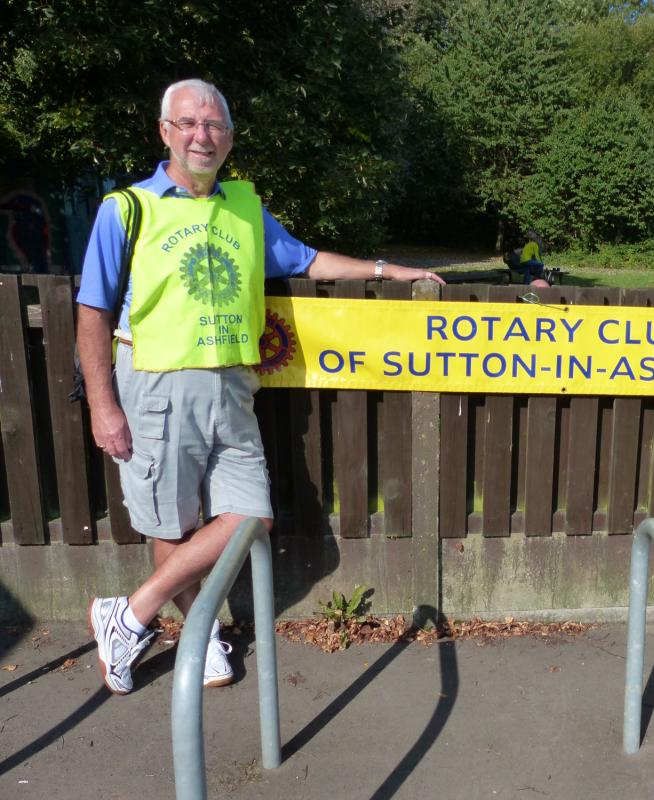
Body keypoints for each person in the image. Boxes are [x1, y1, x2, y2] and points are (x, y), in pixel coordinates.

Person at [78, 79, 444, 695]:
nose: (203, 135)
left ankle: (131, 615)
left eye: (215, 125)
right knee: (171, 526)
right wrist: (101, 404)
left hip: (232, 386)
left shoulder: (245, 209)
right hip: (157, 386)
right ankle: (201, 634)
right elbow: (92, 309)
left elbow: (304, 259)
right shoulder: (128, 209)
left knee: (251, 516)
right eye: (189, 123)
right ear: (165, 131)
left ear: (229, 138)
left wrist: (388, 270)